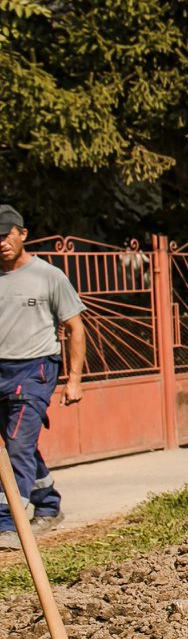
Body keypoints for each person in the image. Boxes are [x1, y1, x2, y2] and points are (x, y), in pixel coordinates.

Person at [0, 205, 87, 546]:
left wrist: (74, 379)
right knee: (16, 442)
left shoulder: (48, 276)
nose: (1, 242)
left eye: (6, 234)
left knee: (18, 442)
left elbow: (75, 328)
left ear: (22, 234)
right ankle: (48, 503)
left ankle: (8, 524)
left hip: (34, 368)